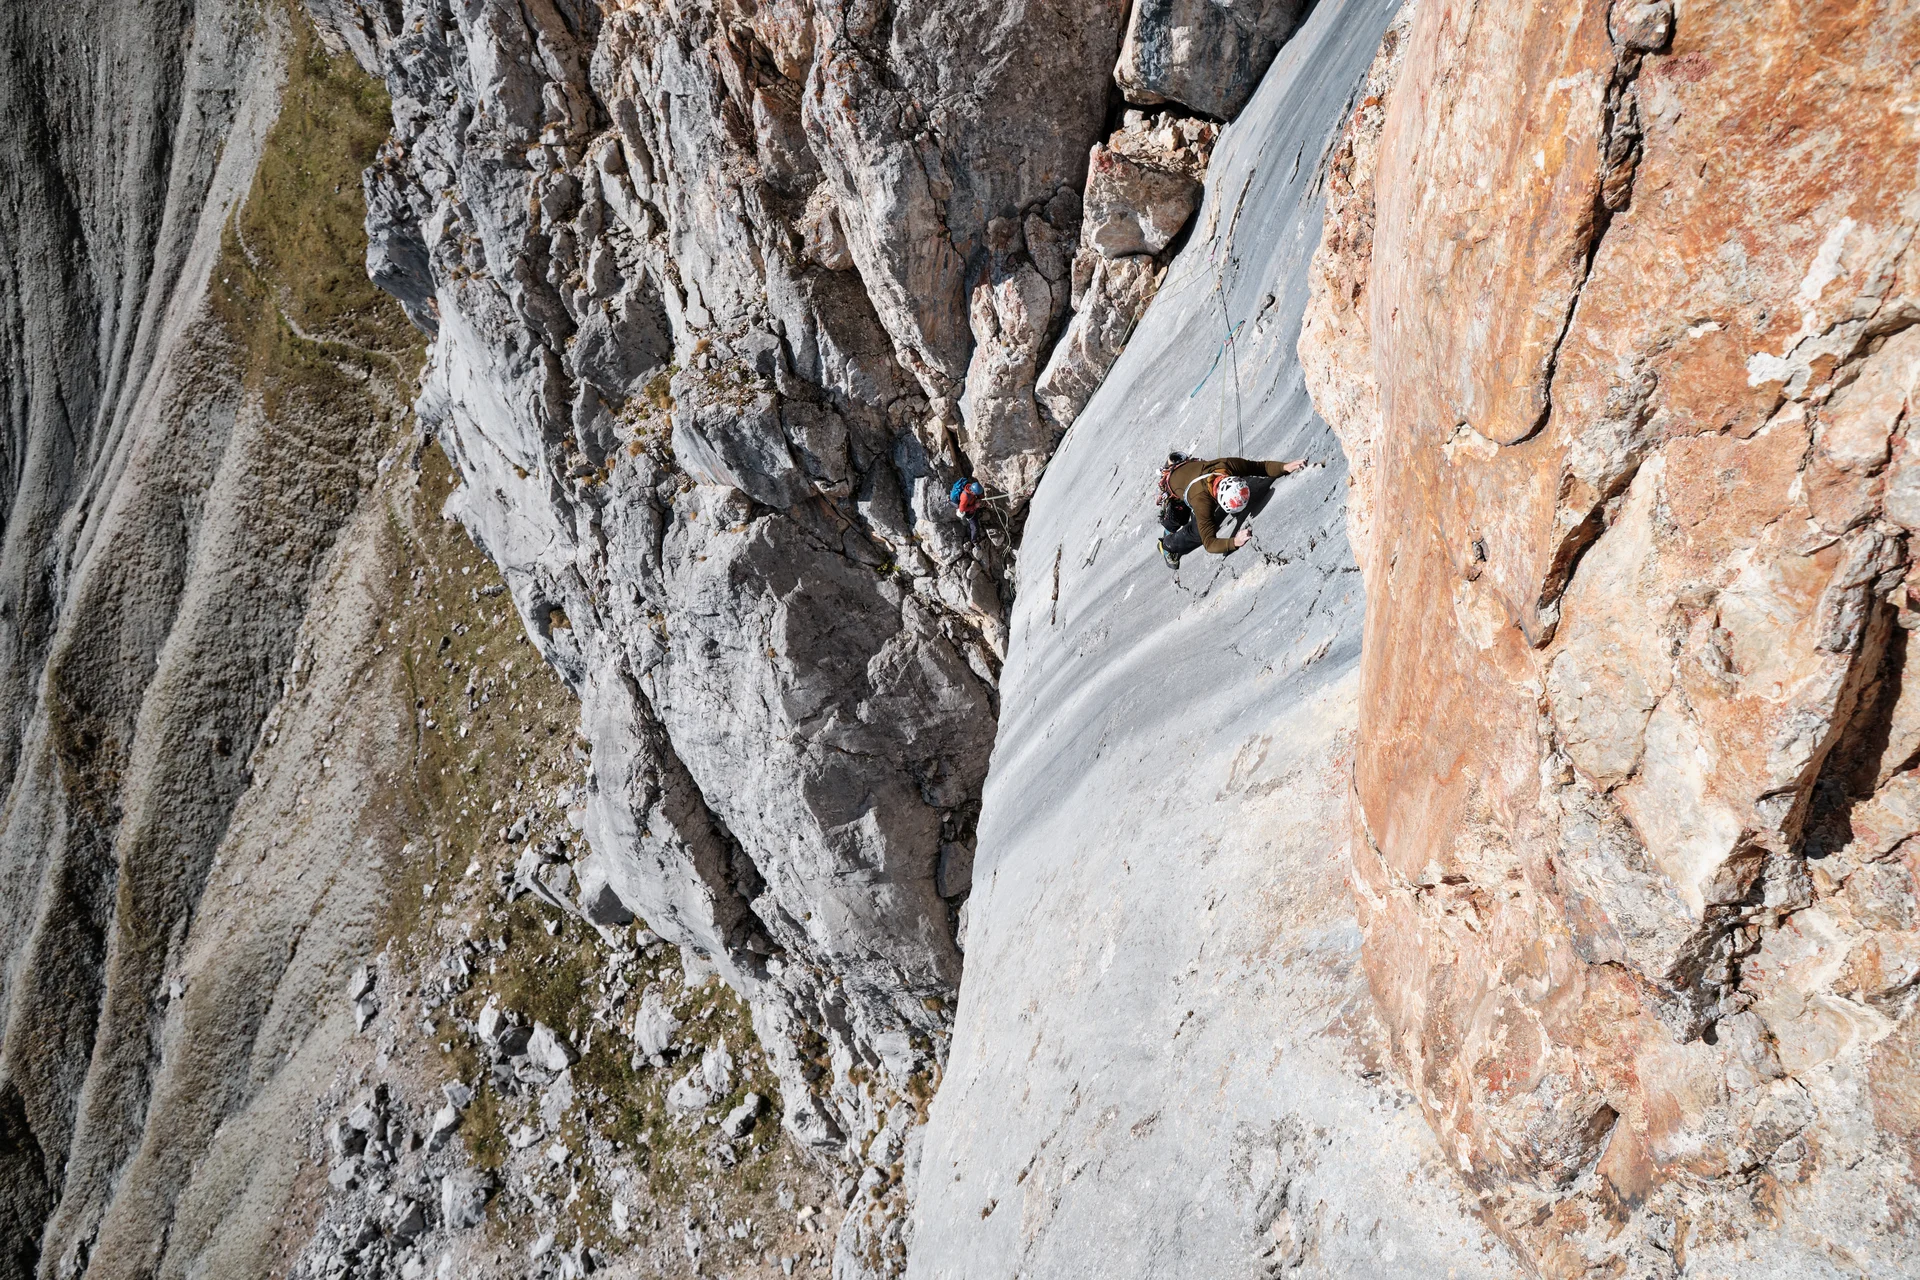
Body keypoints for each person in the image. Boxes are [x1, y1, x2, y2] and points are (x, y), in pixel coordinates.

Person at [1157, 455, 1309, 566]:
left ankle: (1174, 463)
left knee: (1197, 517)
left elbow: (1259, 467)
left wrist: (1284, 467)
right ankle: (1167, 545)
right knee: (1195, 530)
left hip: (1189, 471)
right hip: (1175, 485)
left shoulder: (1229, 466)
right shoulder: (1202, 502)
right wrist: (1235, 542)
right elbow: (1209, 543)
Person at [949, 477, 984, 544]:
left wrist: (981, 498)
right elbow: (962, 509)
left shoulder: (971, 487)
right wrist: (975, 506)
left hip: (972, 503)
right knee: (975, 528)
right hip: (969, 511)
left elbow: (978, 494)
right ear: (973, 492)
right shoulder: (965, 497)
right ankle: (974, 541)